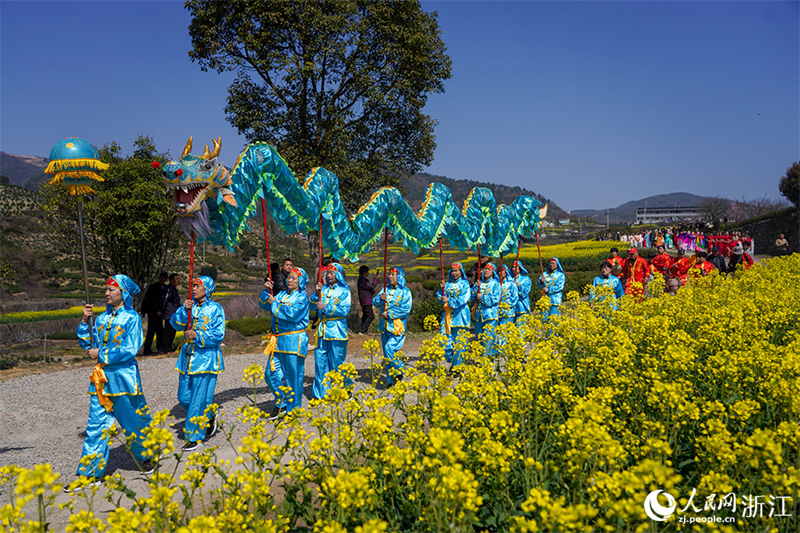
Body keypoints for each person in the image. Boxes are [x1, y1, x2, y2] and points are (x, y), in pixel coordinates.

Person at [68, 275, 153, 489]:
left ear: (123, 294)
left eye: (111, 290)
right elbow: (88, 345)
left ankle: (148, 454)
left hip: (123, 378)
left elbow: (131, 348)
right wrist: (84, 321)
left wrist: (102, 354)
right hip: (102, 380)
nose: (107, 293)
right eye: (106, 289)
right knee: (96, 426)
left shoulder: (132, 318)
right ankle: (89, 473)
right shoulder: (102, 319)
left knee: (133, 421)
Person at [171, 276, 225, 451]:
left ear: (206, 289)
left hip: (206, 358)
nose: (193, 289)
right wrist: (182, 310)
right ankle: (208, 415)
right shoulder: (189, 306)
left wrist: (198, 336)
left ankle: (194, 436)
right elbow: (175, 324)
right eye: (193, 286)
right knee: (184, 397)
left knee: (197, 400)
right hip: (187, 358)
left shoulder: (216, 309)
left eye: (197, 286)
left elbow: (219, 334)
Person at [261, 267, 309, 418]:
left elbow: (292, 314)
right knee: (270, 374)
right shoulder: (281, 294)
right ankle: (282, 402)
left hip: (294, 341)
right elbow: (264, 304)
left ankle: (293, 410)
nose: (290, 280)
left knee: (293, 377)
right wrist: (266, 291)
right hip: (278, 340)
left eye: (294, 278)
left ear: (300, 281)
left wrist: (274, 303)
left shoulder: (302, 297)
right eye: (289, 277)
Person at [310, 263, 351, 399]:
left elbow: (344, 310)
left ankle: (345, 389)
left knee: (337, 361)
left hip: (337, 330)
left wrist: (326, 307)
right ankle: (321, 394)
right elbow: (311, 305)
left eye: (332, 273)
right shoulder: (323, 289)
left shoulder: (345, 291)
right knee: (320, 362)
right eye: (327, 273)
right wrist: (316, 293)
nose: (329, 275)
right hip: (322, 331)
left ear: (338, 274)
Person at [374, 267, 412, 385]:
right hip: (384, 326)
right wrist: (380, 299)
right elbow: (375, 302)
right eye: (389, 274)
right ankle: (391, 380)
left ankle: (400, 369)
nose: (390, 277)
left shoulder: (405, 291)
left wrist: (389, 314)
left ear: (399, 276)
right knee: (387, 355)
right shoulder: (385, 289)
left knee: (390, 349)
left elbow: (406, 309)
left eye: (393, 275)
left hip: (397, 326)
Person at [437, 262, 471, 369]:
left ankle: (457, 367)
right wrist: (440, 289)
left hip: (461, 316)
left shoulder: (465, 284)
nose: (454, 273)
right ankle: (453, 359)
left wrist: (449, 301)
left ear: (461, 272)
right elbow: (441, 298)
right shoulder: (447, 284)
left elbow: (463, 299)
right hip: (447, 316)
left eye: (456, 270)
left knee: (460, 343)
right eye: (452, 271)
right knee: (444, 340)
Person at [472, 263, 501, 355]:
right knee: (479, 337)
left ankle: (487, 360)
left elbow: (495, 299)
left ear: (493, 272)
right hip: (479, 314)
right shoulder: (479, 283)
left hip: (490, 314)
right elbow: (472, 295)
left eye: (489, 269)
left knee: (488, 338)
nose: (486, 271)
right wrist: (476, 287)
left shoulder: (496, 284)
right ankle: (485, 355)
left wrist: (482, 297)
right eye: (485, 269)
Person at [141, 272, 167, 355]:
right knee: (151, 331)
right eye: (161, 277)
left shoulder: (166, 288)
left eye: (164, 277)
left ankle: (159, 347)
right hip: (153, 312)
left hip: (161, 313)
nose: (162, 279)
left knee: (160, 331)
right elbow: (149, 300)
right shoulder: (153, 287)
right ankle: (147, 349)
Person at [160, 273, 181, 354]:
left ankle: (169, 347)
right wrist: (162, 310)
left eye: (179, 279)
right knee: (168, 331)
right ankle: (166, 349)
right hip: (169, 313)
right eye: (176, 279)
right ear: (171, 280)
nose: (178, 280)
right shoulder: (169, 289)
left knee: (172, 331)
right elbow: (165, 300)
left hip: (174, 313)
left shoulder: (173, 289)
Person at [357, 265, 380, 334]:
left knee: (365, 315)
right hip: (366, 300)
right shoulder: (363, 280)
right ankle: (363, 330)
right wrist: (376, 279)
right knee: (370, 315)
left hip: (364, 300)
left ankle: (363, 330)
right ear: (364, 272)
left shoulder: (361, 279)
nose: (368, 273)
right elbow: (371, 286)